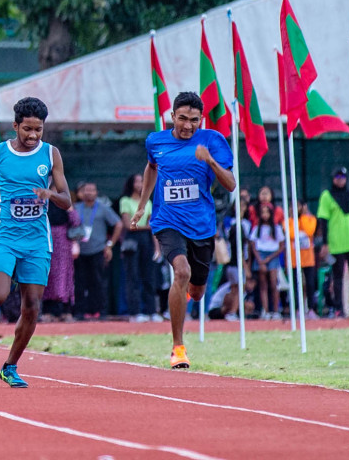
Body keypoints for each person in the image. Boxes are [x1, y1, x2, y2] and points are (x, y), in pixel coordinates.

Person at [0, 97, 72, 388]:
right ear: (15, 126)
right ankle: (5, 271)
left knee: (32, 307)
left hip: (36, 242)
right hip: (4, 236)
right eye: (27, 129)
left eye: (39, 130)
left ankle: (10, 365)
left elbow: (67, 200)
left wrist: (50, 196)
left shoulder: (51, 154)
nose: (33, 136)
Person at [132, 90, 236, 368]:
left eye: (194, 120)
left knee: (197, 291)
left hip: (201, 226)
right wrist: (142, 205)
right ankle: (178, 347)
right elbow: (151, 168)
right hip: (167, 221)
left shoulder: (213, 140)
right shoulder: (156, 141)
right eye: (182, 119)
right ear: (172, 116)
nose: (187, 125)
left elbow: (231, 184)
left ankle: (184, 293)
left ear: (201, 119)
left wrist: (210, 161)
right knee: (181, 271)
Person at [70, 182, 123, 319]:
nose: (89, 193)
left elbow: (118, 224)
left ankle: (102, 312)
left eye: (92, 190)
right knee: (79, 283)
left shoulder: (103, 208)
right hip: (79, 251)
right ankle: (79, 312)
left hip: (98, 250)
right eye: (86, 190)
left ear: (96, 192)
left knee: (99, 283)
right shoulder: (76, 208)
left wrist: (110, 245)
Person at [118, 173, 159, 321]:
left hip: (147, 240)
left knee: (149, 276)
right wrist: (146, 227)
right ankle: (135, 313)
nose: (140, 184)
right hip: (132, 240)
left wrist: (157, 248)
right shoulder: (125, 200)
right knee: (132, 276)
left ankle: (151, 311)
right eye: (137, 181)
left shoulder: (147, 202)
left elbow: (152, 226)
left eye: (142, 181)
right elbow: (128, 224)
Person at [316, 167, 349, 318]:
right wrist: (325, 243)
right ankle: (338, 308)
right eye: (337, 177)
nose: (340, 180)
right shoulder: (327, 196)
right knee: (337, 276)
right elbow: (323, 220)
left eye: (343, 177)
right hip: (336, 243)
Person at [248, 200, 284, 319]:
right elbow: (253, 244)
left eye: (267, 212)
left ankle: (275, 310)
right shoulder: (257, 228)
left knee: (274, 283)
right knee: (263, 284)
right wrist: (260, 259)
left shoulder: (277, 228)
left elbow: (281, 245)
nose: (265, 215)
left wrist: (269, 258)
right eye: (262, 212)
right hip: (261, 255)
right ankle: (266, 310)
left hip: (272, 255)